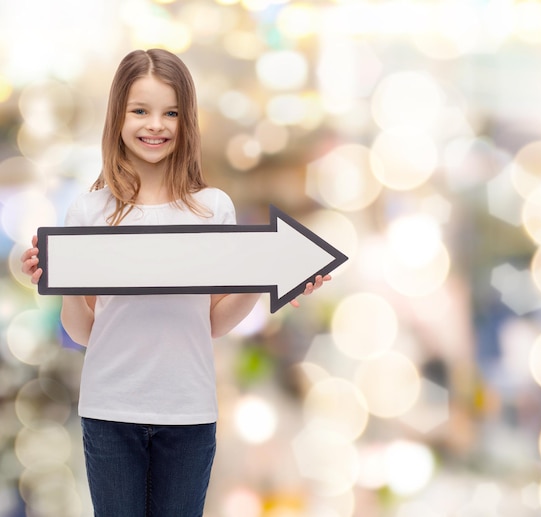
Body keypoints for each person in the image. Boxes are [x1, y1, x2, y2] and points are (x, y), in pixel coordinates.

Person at [20, 48, 330, 517]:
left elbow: (213, 322)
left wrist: (261, 277)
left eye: (171, 113)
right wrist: (59, 280)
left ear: (187, 122)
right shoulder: (89, 213)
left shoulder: (213, 209)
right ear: (118, 117)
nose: (156, 125)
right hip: (110, 411)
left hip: (189, 411)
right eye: (140, 111)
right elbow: (85, 332)